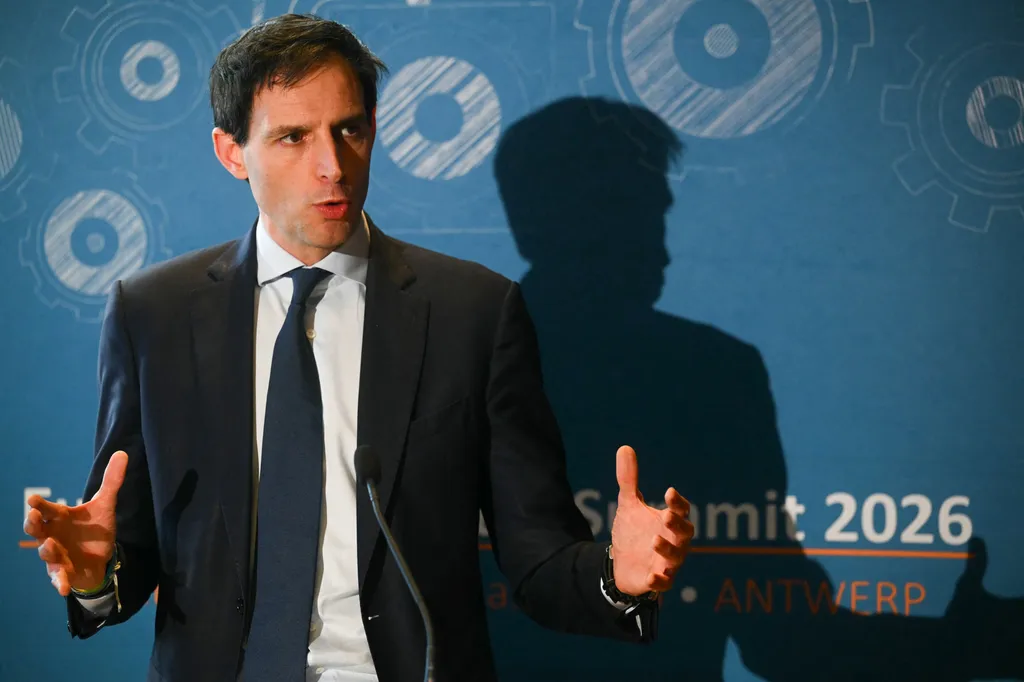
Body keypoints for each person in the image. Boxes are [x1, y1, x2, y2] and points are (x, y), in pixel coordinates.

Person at [22, 13, 693, 682]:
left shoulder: (473, 314)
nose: (332, 167)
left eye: (349, 130)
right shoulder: (153, 315)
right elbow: (125, 556)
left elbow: (538, 558)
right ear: (231, 152)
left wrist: (618, 578)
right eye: (293, 137)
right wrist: (94, 576)